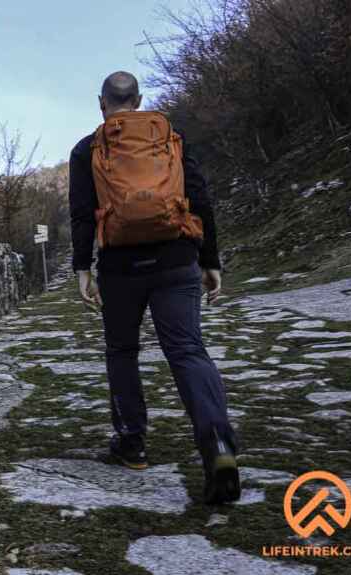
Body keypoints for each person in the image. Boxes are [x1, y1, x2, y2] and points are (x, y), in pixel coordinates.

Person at [68, 71, 240, 505]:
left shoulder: (86, 148)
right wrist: (210, 259)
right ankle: (218, 445)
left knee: (122, 351)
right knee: (187, 351)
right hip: (176, 258)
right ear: (139, 100)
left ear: (101, 103)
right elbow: (199, 198)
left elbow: (83, 214)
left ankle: (132, 443)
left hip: (120, 266)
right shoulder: (170, 138)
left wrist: (82, 269)